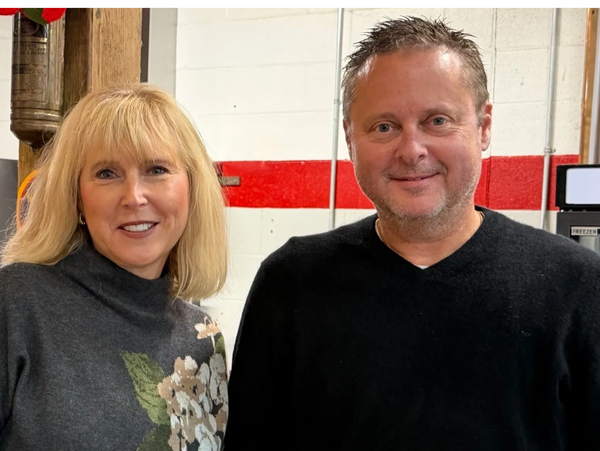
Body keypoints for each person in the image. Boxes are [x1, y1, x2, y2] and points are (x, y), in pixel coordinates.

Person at [224, 15, 600, 451]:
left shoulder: (574, 286)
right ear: (350, 139)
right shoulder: (290, 283)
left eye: (437, 120)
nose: (412, 149)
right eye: (383, 126)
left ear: (484, 127)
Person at [0, 83, 229, 451]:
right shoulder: (17, 304)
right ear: (76, 196)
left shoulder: (202, 337)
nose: (134, 197)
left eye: (156, 169)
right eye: (107, 173)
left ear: (191, 188)